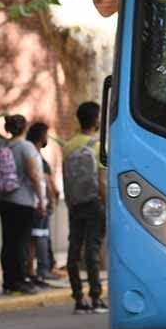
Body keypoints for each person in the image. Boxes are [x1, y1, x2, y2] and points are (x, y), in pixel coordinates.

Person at [62, 102, 107, 314]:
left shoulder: (68, 146)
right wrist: (108, 206)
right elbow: (103, 180)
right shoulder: (98, 146)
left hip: (75, 204)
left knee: (74, 251)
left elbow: (65, 179)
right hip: (94, 204)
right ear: (97, 120)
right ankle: (96, 298)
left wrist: (70, 202)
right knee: (93, 251)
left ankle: (79, 298)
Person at [0, 114, 48, 295]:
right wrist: (41, 200)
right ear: (25, 128)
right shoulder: (26, 147)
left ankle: (8, 281)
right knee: (21, 242)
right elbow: (34, 175)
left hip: (5, 199)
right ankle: (20, 281)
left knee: (8, 242)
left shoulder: (5, 145)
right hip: (23, 201)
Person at [26, 122, 60, 286]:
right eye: (46, 135)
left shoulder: (34, 153)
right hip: (39, 202)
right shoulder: (34, 154)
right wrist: (50, 198)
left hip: (37, 202)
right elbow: (43, 179)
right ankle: (39, 271)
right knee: (38, 237)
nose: (47, 138)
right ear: (40, 137)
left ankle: (34, 271)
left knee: (37, 237)